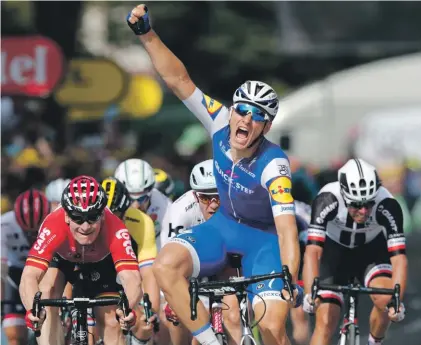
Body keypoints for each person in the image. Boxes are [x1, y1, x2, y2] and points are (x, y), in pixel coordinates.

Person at [126, 6, 303, 345]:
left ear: (266, 126)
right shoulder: (219, 121)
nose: (246, 120)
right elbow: (178, 80)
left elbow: (286, 230)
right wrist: (147, 35)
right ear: (233, 110)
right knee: (165, 267)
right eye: (242, 110)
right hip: (222, 227)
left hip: (263, 240)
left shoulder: (274, 165)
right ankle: (210, 342)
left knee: (271, 328)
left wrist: (288, 278)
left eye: (258, 116)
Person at [19, 175, 152, 345]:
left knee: (113, 321)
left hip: (102, 263)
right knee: (47, 294)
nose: (85, 226)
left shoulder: (116, 228)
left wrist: (127, 308)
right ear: (66, 216)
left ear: (102, 215)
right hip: (62, 260)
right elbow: (30, 275)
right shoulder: (53, 224)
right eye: (77, 218)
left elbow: (132, 278)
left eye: (92, 217)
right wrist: (33, 309)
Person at [302, 158, 407, 345]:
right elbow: (313, 252)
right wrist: (311, 293)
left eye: (369, 204)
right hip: (334, 254)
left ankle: (375, 341)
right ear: (344, 194)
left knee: (386, 298)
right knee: (325, 321)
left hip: (370, 252)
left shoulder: (387, 204)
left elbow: (399, 259)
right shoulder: (327, 198)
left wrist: (396, 301)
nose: (364, 211)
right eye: (356, 205)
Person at [101, 176, 160, 313]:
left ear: (125, 212)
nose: (109, 221)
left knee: (147, 321)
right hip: (94, 273)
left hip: (125, 275)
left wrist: (152, 312)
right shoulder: (87, 225)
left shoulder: (141, 221)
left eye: (115, 214)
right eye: (104, 215)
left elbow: (148, 273)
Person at [1, 189, 50, 345]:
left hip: (46, 274)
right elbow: (1, 270)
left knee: (51, 332)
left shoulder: (55, 220)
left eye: (36, 232)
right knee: (15, 336)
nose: (32, 236)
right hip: (15, 274)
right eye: (27, 232)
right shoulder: (4, 224)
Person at [114, 158, 172, 250]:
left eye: (141, 199)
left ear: (150, 191)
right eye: (130, 199)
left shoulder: (166, 207)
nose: (136, 205)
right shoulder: (110, 203)